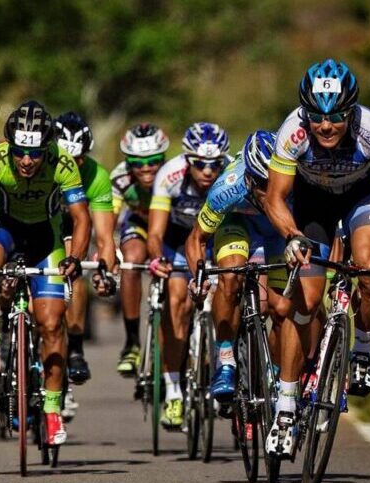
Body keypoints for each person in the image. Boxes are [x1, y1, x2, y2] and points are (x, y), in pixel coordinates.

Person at [264, 59, 370, 456]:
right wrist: (292, 236)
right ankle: (285, 406)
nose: (326, 126)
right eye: (317, 117)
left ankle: (363, 352)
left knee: (369, 270)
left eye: (336, 116)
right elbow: (275, 198)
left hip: (362, 197)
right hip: (312, 204)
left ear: (350, 111)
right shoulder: (293, 132)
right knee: (305, 303)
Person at [0, 101, 90, 446]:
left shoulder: (62, 162)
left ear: (47, 147)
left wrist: (76, 257)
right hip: (5, 230)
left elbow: (81, 217)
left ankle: (50, 409)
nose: (27, 161)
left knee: (50, 324)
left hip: (45, 238)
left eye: (34, 153)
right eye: (20, 153)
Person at [185, 130, 289, 402]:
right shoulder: (227, 189)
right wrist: (199, 275)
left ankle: (276, 376)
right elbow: (197, 238)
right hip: (237, 225)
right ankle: (226, 360)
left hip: (278, 231)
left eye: (274, 184)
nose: (269, 192)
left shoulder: (296, 184)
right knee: (230, 278)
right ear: (248, 178)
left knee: (280, 308)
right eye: (262, 184)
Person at [147, 122, 230, 429]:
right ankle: (173, 395)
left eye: (214, 164)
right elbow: (155, 231)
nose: (208, 171)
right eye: (199, 164)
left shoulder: (232, 172)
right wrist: (156, 256)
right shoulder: (169, 175)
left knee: (229, 296)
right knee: (178, 302)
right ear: (187, 161)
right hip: (178, 242)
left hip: (216, 241)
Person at [53, 112, 118, 418]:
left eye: (79, 158)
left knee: (73, 268)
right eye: (66, 156)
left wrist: (105, 269)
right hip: (43, 226)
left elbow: (104, 236)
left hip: (73, 229)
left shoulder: (97, 176)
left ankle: (75, 347)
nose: (73, 164)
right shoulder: (42, 169)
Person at [110, 123, 170, 378]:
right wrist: (108, 252)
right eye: (137, 162)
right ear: (127, 161)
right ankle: (132, 342)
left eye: (153, 161)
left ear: (164, 158)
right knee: (131, 262)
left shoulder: (174, 174)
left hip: (170, 226)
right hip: (138, 225)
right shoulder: (119, 178)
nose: (146, 168)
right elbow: (108, 220)